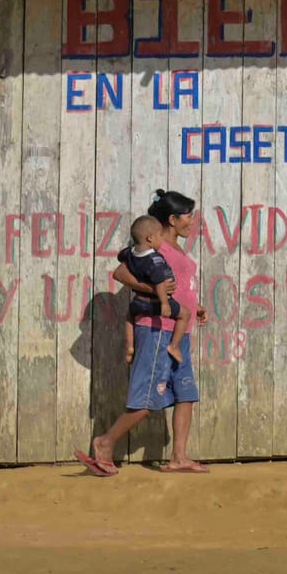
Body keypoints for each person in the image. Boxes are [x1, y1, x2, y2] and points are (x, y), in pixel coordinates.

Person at [80, 190, 204, 476]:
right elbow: (121, 274)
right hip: (157, 330)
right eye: (189, 216)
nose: (192, 222)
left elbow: (179, 286)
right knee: (148, 399)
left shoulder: (174, 248)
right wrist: (154, 291)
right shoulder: (155, 247)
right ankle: (104, 443)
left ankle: (179, 458)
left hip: (179, 333)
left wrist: (195, 307)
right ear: (172, 219)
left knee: (185, 394)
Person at [115, 215, 180, 366]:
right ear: (150, 238)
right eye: (160, 236)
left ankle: (130, 346)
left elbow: (120, 256)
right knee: (185, 314)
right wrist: (164, 302)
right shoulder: (155, 259)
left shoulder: (130, 253)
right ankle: (175, 345)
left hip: (138, 300)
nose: (162, 240)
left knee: (129, 316)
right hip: (155, 302)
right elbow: (159, 282)